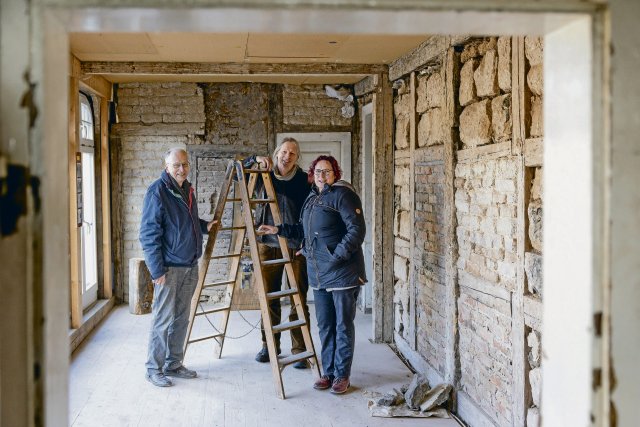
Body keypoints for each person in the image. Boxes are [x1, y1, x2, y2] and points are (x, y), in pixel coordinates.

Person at [258, 155, 366, 395]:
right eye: (318, 171)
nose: (321, 175)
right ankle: (328, 372)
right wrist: (278, 229)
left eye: (327, 171)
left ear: (335, 173)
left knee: (342, 325)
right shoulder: (312, 198)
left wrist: (336, 255)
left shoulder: (343, 195)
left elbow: (357, 230)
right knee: (325, 325)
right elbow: (302, 231)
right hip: (319, 274)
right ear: (312, 173)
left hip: (343, 273)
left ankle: (342, 375)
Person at [139, 148, 215, 387]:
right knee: (162, 320)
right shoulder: (157, 192)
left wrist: (204, 226)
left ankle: (173, 364)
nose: (181, 169)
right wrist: (157, 271)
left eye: (184, 164)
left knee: (181, 318)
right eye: (176, 165)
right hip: (169, 268)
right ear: (166, 166)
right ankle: (153, 368)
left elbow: (185, 224)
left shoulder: (186, 189)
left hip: (190, 265)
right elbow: (148, 234)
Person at [243, 137, 312, 369]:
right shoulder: (265, 173)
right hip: (267, 244)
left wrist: (306, 242)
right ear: (276, 152)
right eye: (284, 152)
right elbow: (236, 175)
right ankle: (269, 345)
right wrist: (253, 160)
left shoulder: (304, 180)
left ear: (297, 157)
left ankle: (300, 350)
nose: (287, 156)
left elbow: (311, 215)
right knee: (268, 297)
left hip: (295, 245)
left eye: (292, 153)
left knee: (298, 299)